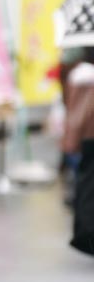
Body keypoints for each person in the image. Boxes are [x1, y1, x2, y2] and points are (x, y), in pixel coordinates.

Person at [62, 47, 94, 257]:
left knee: (86, 184)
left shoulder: (80, 76)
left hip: (88, 137)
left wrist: (70, 141)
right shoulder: (84, 77)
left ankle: (86, 233)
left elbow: (74, 113)